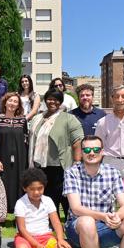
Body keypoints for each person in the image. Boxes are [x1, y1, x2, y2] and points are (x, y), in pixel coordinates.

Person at [10, 168, 78, 248]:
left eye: (40, 188)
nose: (36, 192)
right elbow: (22, 229)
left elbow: (57, 222)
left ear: (44, 187)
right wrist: (36, 245)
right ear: (25, 188)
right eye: (32, 189)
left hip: (46, 237)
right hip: (26, 237)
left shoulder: (47, 201)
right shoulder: (20, 203)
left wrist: (60, 239)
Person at [29, 89, 83, 219]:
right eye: (49, 99)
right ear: (45, 100)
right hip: (41, 166)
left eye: (56, 99)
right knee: (48, 197)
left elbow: (77, 142)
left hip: (61, 166)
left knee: (65, 197)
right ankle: (53, 222)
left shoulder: (68, 118)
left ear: (60, 102)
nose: (52, 101)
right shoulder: (38, 118)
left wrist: (76, 163)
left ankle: (72, 223)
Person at [0, 92, 28, 213]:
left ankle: (18, 210)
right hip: (3, 156)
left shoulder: (22, 120)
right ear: (5, 102)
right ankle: (2, 211)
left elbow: (25, 140)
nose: (12, 103)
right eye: (10, 101)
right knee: (3, 182)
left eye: (15, 102)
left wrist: (26, 161)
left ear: (18, 105)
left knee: (19, 181)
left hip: (20, 157)